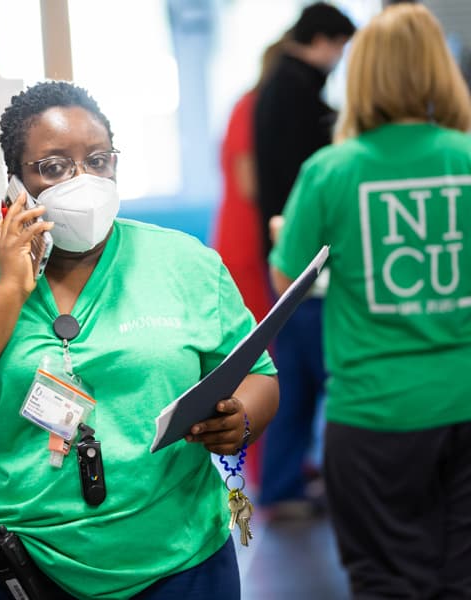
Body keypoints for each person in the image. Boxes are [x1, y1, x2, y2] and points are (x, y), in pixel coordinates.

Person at [0, 81, 279, 599]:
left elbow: (260, 375)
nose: (84, 180)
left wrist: (240, 418)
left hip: (179, 560)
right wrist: (8, 291)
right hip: (15, 563)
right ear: (14, 184)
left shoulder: (184, 263)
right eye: (53, 166)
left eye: (98, 160)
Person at [269, 4, 471, 597]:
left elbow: (288, 283)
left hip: (375, 416)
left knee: (385, 583)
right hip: (464, 403)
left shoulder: (331, 171)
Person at [253, 2, 355, 514]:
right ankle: (316, 485)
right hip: (303, 259)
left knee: (293, 378)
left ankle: (282, 484)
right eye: (339, 46)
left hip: (283, 250)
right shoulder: (298, 89)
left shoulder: (275, 84)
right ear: (324, 39)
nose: (339, 59)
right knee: (324, 378)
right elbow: (312, 177)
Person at [212, 35, 289, 485]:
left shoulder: (252, 105)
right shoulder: (252, 107)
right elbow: (248, 181)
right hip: (244, 242)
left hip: (247, 237)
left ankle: (275, 466)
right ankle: (261, 469)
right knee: (257, 357)